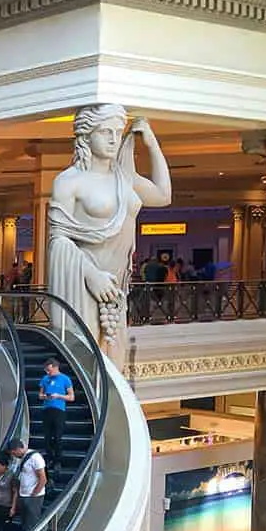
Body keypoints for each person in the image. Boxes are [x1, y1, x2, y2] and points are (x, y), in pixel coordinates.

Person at [47, 104, 171, 365]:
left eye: (118, 131)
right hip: (85, 284)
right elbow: (58, 241)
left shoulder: (124, 177)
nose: (115, 139)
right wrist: (91, 275)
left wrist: (151, 142)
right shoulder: (69, 182)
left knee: (114, 358)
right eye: (105, 132)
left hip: (116, 289)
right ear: (86, 135)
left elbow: (163, 195)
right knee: (87, 359)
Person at [9, 438, 47, 531]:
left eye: (14, 453)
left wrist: (33, 495)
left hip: (33, 497)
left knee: (31, 525)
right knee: (25, 524)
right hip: (23, 495)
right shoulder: (23, 460)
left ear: (18, 449)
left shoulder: (35, 458)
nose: (14, 456)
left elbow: (42, 479)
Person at [38, 358, 75, 475]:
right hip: (46, 409)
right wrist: (45, 396)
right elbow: (40, 395)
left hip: (59, 410)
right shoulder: (45, 379)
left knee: (57, 437)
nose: (48, 373)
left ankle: (58, 460)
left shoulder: (65, 379)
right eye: (46, 371)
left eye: (49, 370)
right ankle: (49, 458)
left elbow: (71, 397)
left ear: (55, 367)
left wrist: (59, 396)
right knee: (47, 437)